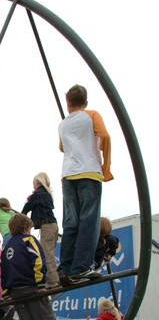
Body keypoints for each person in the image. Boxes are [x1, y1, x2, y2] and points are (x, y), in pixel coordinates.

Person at [1, 213, 78, 320]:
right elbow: (38, 261)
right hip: (32, 290)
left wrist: (6, 293)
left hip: (16, 294)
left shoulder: (6, 248)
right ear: (25, 228)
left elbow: (3, 271)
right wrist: (41, 284)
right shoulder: (28, 240)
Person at [58, 84, 113, 285]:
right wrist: (106, 166)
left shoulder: (62, 124)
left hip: (68, 176)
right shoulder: (92, 114)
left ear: (68, 103)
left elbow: (62, 147)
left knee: (70, 223)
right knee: (88, 222)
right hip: (89, 172)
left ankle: (65, 269)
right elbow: (105, 136)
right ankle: (80, 267)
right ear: (86, 102)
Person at [21, 172, 59, 287]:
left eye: (33, 183)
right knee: (50, 252)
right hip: (53, 225)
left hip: (46, 226)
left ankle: (52, 281)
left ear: (38, 182)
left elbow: (26, 208)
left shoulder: (37, 194)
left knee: (46, 253)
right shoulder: (47, 194)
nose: (33, 186)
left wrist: (21, 217)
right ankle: (54, 277)